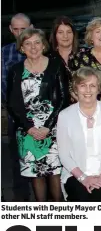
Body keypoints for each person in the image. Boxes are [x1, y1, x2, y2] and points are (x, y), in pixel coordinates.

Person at [6, 28, 70, 202]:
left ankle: (59, 212)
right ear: (21, 48)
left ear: (43, 45)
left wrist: (47, 127)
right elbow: (12, 103)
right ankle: (41, 213)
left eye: (37, 42)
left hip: (54, 128)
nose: (33, 47)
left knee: (55, 173)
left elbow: (64, 99)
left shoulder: (56, 66)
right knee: (36, 175)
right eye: (27, 43)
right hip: (27, 131)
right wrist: (29, 128)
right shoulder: (15, 70)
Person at [56, 67, 101, 202]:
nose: (87, 90)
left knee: (100, 195)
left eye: (92, 86)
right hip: (75, 175)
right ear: (75, 88)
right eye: (83, 85)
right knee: (81, 197)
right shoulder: (65, 115)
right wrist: (83, 178)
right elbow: (64, 154)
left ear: (99, 89)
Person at [1, 13, 32, 201]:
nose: (20, 33)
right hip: (14, 115)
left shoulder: (42, 50)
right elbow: (3, 86)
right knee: (17, 160)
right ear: (11, 30)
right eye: (16, 29)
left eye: (24, 28)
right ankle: (21, 202)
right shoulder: (4, 53)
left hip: (43, 117)